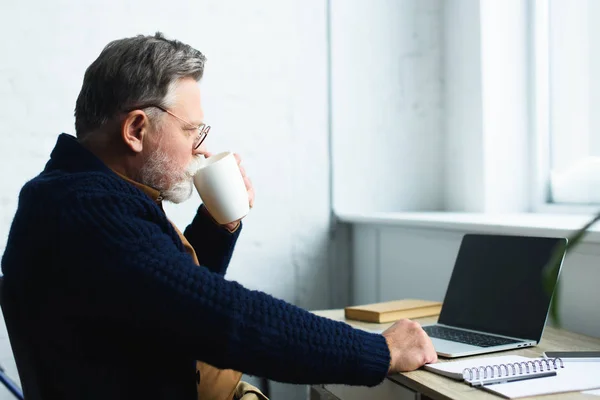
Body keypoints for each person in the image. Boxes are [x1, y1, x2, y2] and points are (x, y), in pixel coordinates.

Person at [0, 32, 437, 400]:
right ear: (136, 129)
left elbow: (160, 304)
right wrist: (378, 352)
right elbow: (220, 318)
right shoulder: (83, 209)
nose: (202, 148)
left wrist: (216, 224)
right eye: (192, 130)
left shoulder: (82, 194)